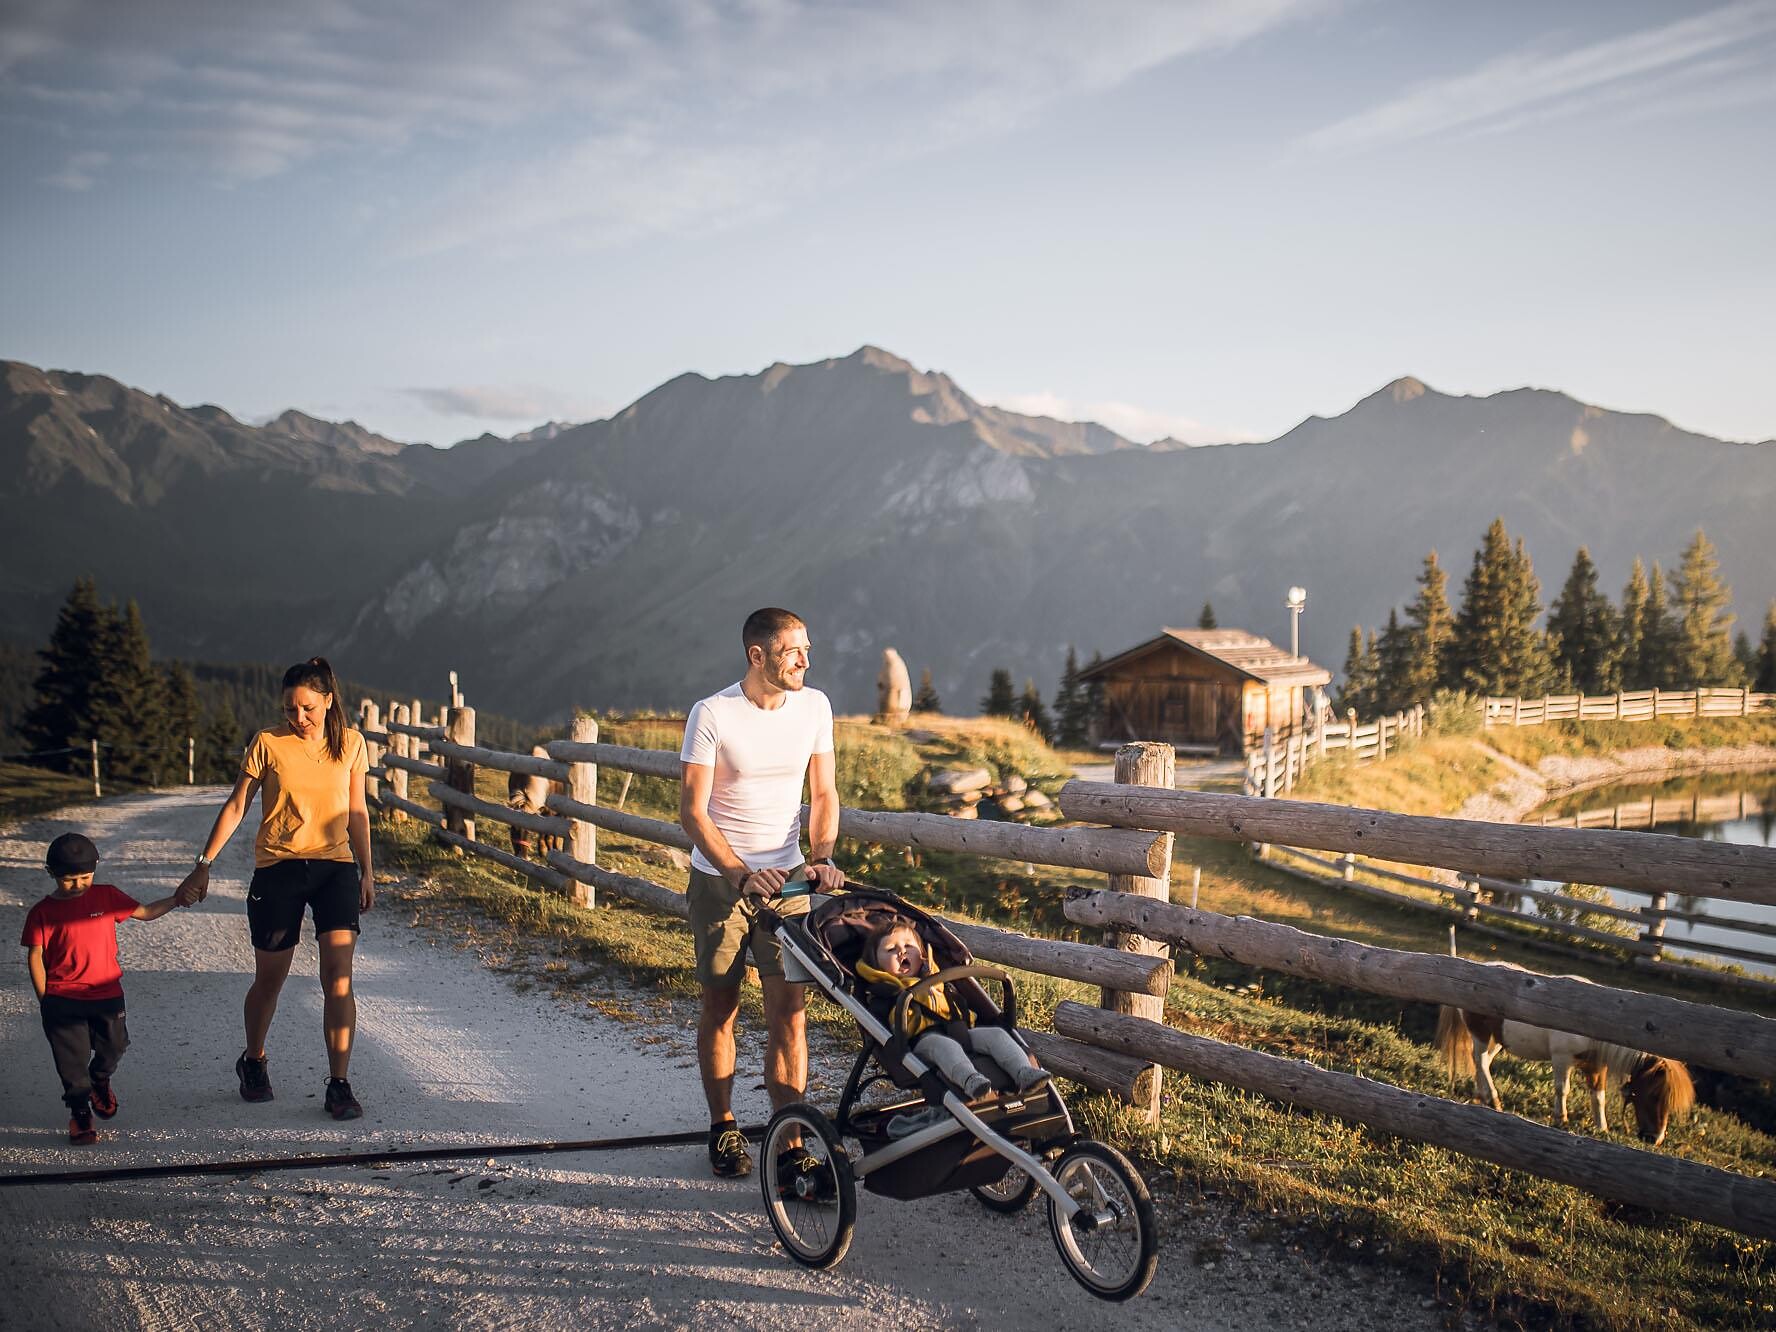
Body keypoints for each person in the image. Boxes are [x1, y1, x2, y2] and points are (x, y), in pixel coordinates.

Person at [679, 608, 844, 1178]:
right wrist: (740, 874)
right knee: (722, 1006)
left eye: (807, 648)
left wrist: (820, 859)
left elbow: (823, 794)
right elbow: (693, 813)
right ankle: (723, 1126)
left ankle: (791, 1145)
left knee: (789, 1015)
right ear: (757, 656)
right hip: (721, 885)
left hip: (789, 883)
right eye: (792, 651)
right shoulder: (713, 714)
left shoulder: (815, 706)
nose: (805, 660)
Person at [177, 657, 373, 1120]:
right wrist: (203, 865)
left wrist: (367, 871)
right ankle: (254, 1060)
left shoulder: (352, 744)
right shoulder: (268, 743)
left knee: (338, 980)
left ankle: (339, 1084)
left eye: (306, 708)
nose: (298, 718)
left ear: (327, 701)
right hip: (279, 870)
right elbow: (237, 804)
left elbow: (359, 811)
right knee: (271, 980)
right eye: (290, 709)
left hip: (335, 870)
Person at [22, 832, 184, 1143]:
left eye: (85, 877)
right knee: (72, 1061)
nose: (78, 884)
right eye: (69, 879)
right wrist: (46, 1001)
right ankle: (80, 1113)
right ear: (52, 874)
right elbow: (35, 956)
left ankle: (100, 1080)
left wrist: (177, 899)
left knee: (114, 1047)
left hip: (107, 994)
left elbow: (146, 913)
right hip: (63, 998)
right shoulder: (41, 913)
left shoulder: (107, 897)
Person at [857, 920, 1051, 1101]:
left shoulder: (940, 978)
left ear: (922, 953)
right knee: (945, 1046)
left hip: (960, 1031)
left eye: (908, 946)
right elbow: (887, 1027)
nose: (902, 952)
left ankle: (1024, 1072)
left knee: (997, 1034)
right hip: (921, 1043)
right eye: (891, 949)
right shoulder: (886, 991)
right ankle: (970, 1080)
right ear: (876, 964)